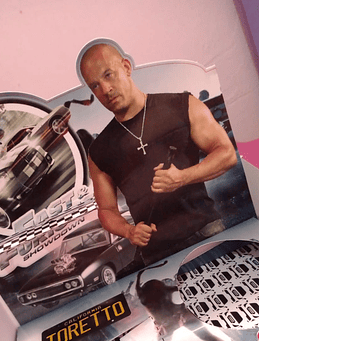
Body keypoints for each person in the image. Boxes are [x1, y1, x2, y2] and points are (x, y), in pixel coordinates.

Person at [79, 42, 239, 265]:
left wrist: (183, 177)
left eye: (109, 75)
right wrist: (128, 231)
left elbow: (227, 154)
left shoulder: (182, 105)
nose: (105, 90)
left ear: (126, 67)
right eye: (95, 85)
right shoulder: (99, 150)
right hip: (155, 254)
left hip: (206, 231)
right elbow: (106, 210)